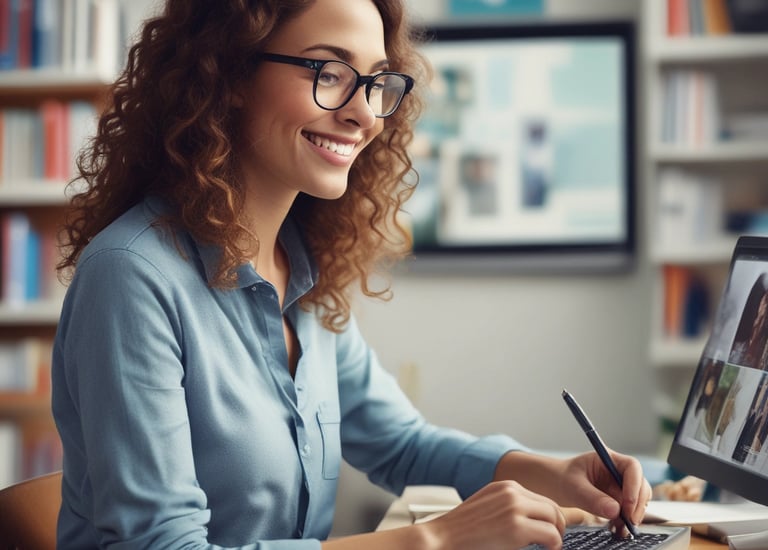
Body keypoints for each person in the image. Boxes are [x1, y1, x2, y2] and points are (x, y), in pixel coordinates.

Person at [51, 0, 652, 548]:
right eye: (328, 73)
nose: (364, 114)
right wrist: (431, 542)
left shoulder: (299, 270)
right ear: (228, 74)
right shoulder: (131, 278)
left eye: (374, 82)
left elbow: (402, 444)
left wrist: (552, 472)